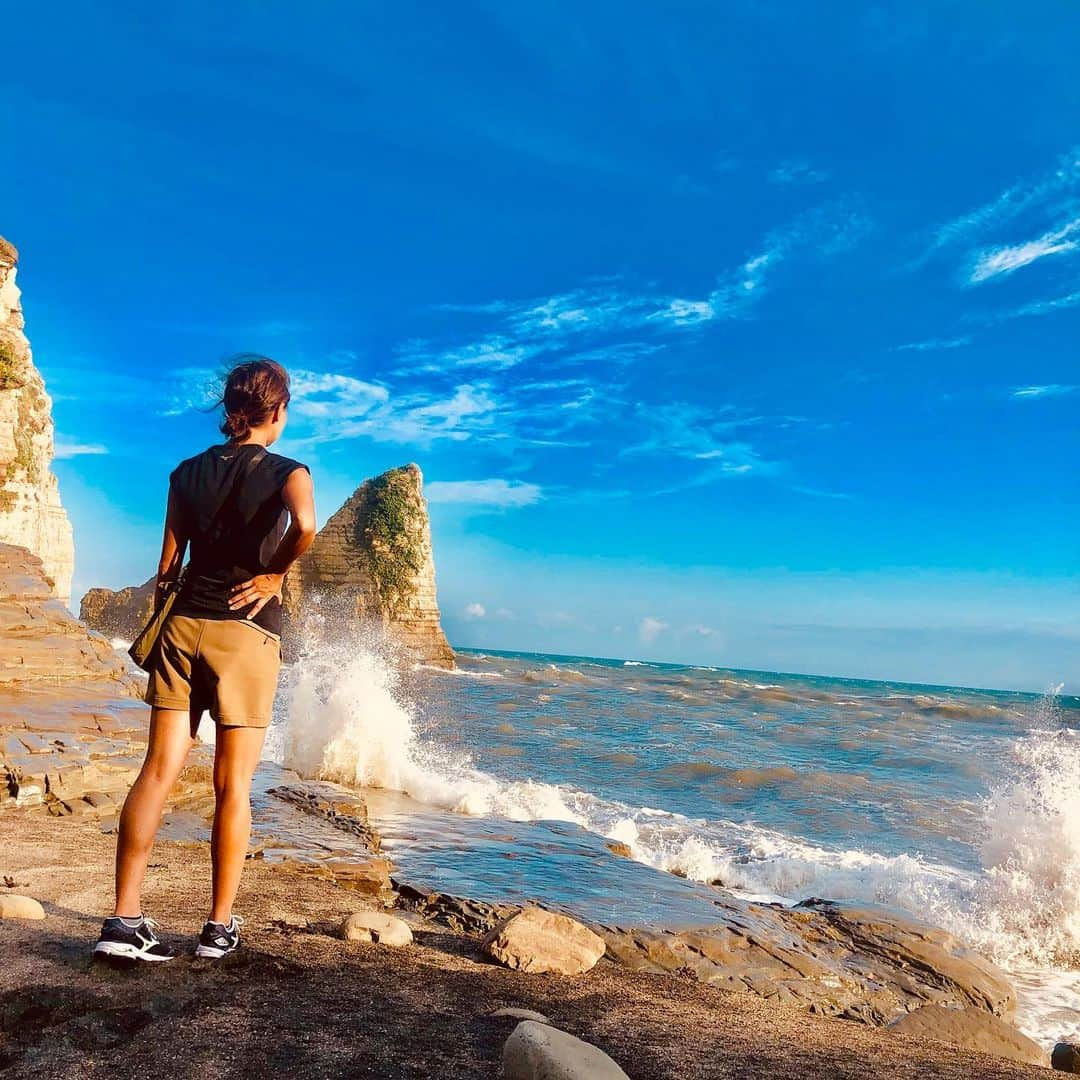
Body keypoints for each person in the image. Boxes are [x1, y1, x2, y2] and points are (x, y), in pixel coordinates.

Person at [94, 356, 316, 962]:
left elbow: (167, 567)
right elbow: (306, 525)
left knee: (159, 769)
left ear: (230, 410)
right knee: (232, 783)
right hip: (245, 634)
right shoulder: (287, 470)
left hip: (184, 626)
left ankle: (123, 920)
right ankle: (218, 927)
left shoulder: (184, 473)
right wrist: (273, 575)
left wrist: (172, 608)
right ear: (278, 409)